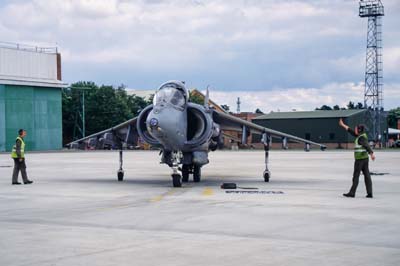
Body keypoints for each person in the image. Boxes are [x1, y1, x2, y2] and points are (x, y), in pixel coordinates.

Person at [339, 119, 375, 198]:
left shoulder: (361, 138)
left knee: (356, 176)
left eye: (356, 128)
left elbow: (367, 145)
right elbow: (350, 131)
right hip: (365, 159)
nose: (354, 129)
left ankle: (352, 193)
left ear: (359, 130)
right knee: (367, 175)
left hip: (360, 160)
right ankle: (370, 193)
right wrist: (343, 125)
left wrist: (371, 153)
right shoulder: (361, 136)